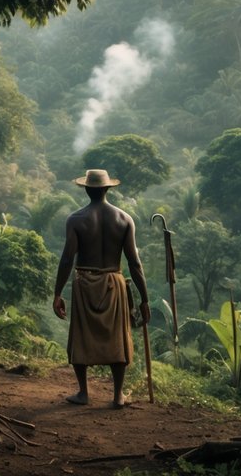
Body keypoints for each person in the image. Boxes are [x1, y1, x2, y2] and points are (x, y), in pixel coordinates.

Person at [53, 169, 149, 408]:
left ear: (86, 189)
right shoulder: (124, 219)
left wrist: (57, 293)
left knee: (81, 336)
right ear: (107, 189)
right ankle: (118, 395)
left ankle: (83, 393)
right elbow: (134, 263)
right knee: (118, 338)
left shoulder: (76, 219)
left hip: (85, 282)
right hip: (114, 283)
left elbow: (67, 259)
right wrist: (144, 299)